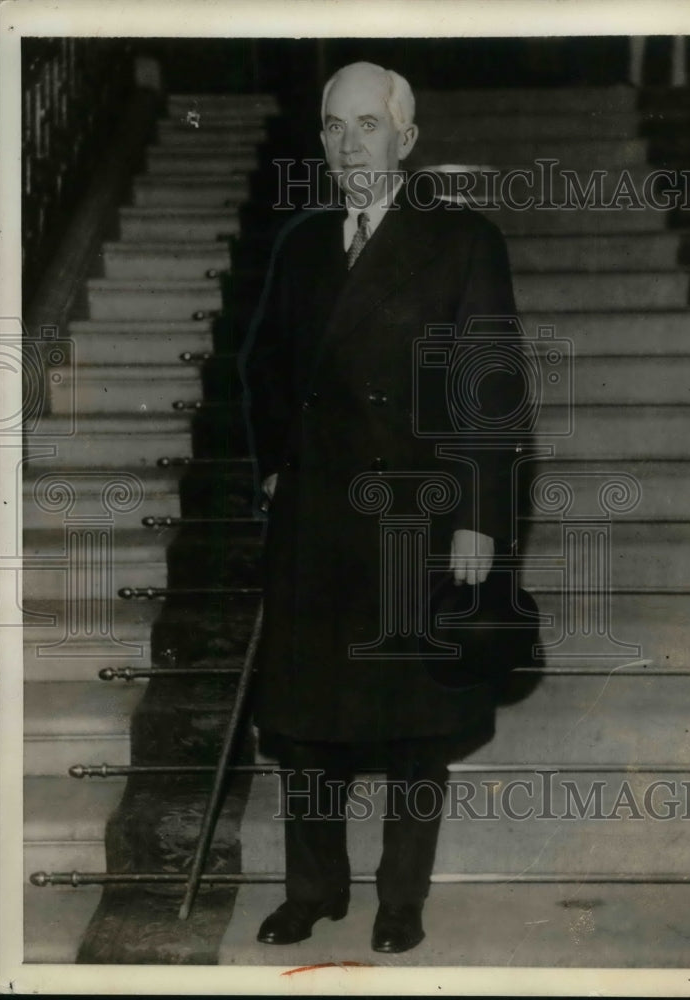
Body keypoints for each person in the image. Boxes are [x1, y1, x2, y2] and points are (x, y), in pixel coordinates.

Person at [241, 61, 523, 953]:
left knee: (413, 726)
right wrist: (276, 463)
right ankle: (315, 889)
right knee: (305, 724)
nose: (347, 143)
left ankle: (401, 900)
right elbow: (260, 369)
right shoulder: (300, 243)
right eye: (333, 126)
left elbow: (494, 391)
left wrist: (480, 513)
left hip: (416, 520)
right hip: (317, 520)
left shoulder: (464, 241)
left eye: (366, 125)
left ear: (406, 137)